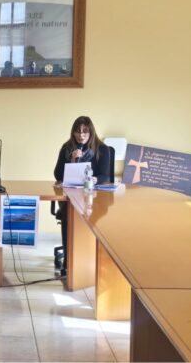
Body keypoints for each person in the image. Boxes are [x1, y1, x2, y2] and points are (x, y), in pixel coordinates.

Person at [53, 116, 111, 275]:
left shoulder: (102, 149)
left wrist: (95, 179)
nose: (81, 135)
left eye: (85, 131)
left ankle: (90, 260)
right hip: (71, 195)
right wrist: (72, 160)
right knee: (68, 215)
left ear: (91, 132)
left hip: (93, 196)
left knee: (93, 214)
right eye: (78, 132)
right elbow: (57, 175)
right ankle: (68, 260)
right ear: (73, 133)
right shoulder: (67, 148)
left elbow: (105, 175)